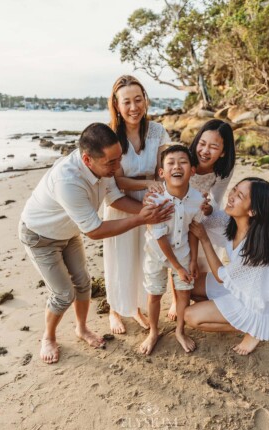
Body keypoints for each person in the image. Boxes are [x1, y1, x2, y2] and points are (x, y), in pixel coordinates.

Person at [19, 123, 173, 364]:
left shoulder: (106, 168)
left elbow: (115, 198)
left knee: (83, 284)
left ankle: (81, 329)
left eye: (119, 159)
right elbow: (95, 230)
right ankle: (48, 337)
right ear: (87, 160)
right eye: (111, 163)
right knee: (63, 293)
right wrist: (142, 219)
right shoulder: (68, 180)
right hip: (40, 236)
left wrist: (151, 213)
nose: (118, 167)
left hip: (68, 233)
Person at [184, 177, 269, 355]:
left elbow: (222, 277)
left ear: (252, 211)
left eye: (240, 196)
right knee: (190, 285)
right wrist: (205, 207)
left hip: (252, 305)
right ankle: (219, 310)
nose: (231, 196)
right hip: (237, 288)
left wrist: (205, 240)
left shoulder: (258, 247)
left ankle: (253, 329)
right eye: (234, 190)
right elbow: (208, 220)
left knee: (190, 317)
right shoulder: (232, 221)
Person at [103, 75, 170, 334]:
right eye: (127, 102)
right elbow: (116, 180)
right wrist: (145, 184)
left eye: (138, 100)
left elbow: (162, 170)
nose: (134, 107)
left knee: (145, 256)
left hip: (151, 201)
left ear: (146, 100)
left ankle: (137, 308)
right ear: (117, 106)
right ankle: (115, 309)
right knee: (120, 257)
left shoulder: (157, 131)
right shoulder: (111, 136)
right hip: (121, 203)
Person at [167, 119, 236, 320]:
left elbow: (217, 197)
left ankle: (199, 290)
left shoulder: (225, 168)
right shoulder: (186, 159)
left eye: (213, 147)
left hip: (204, 211)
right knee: (180, 255)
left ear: (223, 152)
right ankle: (175, 299)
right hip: (178, 209)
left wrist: (207, 209)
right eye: (202, 143)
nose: (205, 151)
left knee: (202, 257)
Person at [141, 145, 204, 355]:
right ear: (161, 172)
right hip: (156, 253)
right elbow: (159, 237)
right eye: (170, 163)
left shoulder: (197, 199)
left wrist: (193, 260)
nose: (177, 166)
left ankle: (179, 331)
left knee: (183, 293)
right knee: (155, 294)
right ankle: (153, 331)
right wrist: (177, 267)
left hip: (183, 252)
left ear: (192, 170)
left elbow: (194, 231)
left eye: (183, 162)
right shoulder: (155, 199)